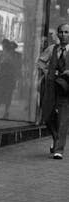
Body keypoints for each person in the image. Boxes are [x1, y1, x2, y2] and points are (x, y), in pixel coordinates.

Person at [37, 23, 69, 160]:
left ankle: (59, 150)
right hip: (50, 87)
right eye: (61, 32)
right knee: (47, 115)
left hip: (66, 89)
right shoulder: (52, 49)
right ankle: (56, 138)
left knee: (63, 119)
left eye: (67, 32)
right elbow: (40, 62)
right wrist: (47, 71)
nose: (63, 35)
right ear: (57, 34)